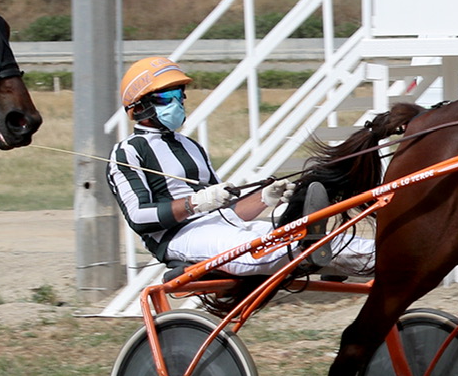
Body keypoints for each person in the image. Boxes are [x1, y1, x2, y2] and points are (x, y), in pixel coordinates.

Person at [107, 56, 374, 276]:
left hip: (222, 227)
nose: (177, 103)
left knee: (321, 238)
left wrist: (265, 199)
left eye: (180, 95)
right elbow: (138, 217)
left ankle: (396, 256)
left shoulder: (191, 147)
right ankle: (305, 252)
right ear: (139, 105)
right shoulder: (128, 151)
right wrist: (195, 204)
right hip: (178, 239)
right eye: (166, 97)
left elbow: (226, 213)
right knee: (273, 246)